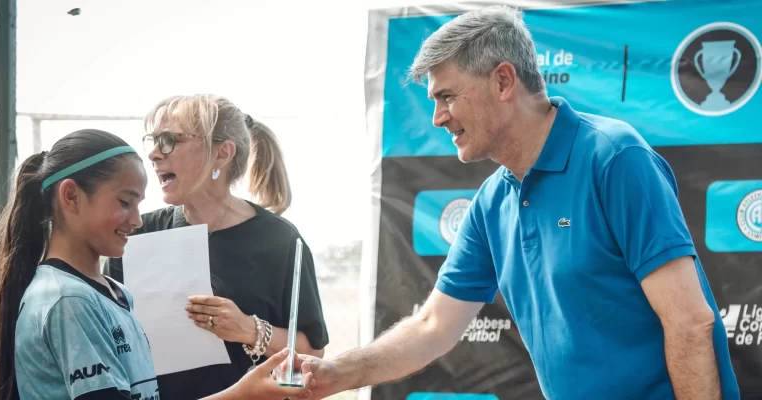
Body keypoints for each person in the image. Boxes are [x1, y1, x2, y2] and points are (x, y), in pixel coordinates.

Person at [291, 6, 740, 400]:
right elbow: (433, 327)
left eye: (447, 95)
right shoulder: (491, 202)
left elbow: (689, 323)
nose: (437, 116)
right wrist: (337, 373)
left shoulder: (615, 157)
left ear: (504, 81)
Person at [0, 129, 313, 400]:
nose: (137, 220)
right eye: (124, 202)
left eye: (139, 204)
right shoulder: (69, 302)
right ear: (71, 196)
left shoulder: (114, 293)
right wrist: (243, 393)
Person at [103, 94, 329, 400]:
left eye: (170, 140)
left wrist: (250, 329)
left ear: (222, 154)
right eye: (153, 141)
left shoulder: (281, 240)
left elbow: (314, 351)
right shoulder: (136, 234)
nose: (155, 154)